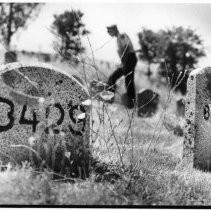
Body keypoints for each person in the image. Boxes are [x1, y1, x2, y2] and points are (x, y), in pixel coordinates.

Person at [106, 25, 137, 108]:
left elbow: (126, 47)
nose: (108, 33)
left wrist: (125, 61)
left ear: (114, 30)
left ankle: (131, 104)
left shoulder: (122, 35)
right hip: (126, 60)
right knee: (113, 77)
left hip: (130, 58)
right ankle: (109, 99)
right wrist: (122, 63)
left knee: (129, 81)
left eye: (109, 31)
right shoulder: (117, 40)